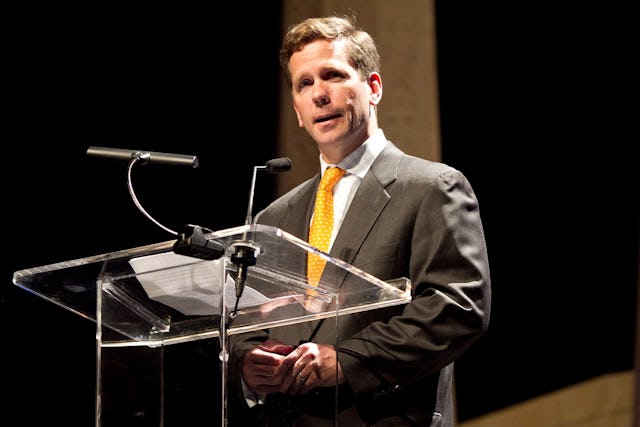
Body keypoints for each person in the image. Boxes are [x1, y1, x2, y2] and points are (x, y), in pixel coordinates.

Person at [228, 14, 491, 427]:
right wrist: (247, 361)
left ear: (373, 88)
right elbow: (249, 322)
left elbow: (455, 307)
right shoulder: (274, 217)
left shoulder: (432, 187)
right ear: (296, 110)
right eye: (304, 83)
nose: (319, 94)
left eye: (332, 75)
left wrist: (348, 360)